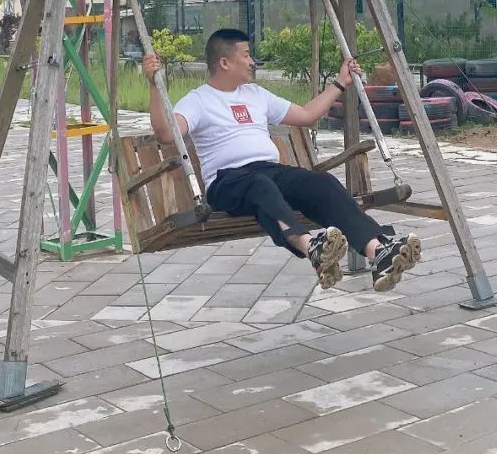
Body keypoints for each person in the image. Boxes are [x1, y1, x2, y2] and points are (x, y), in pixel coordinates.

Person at [144, 28, 421, 293]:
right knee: (260, 185)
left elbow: (306, 115)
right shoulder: (197, 100)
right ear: (224, 62)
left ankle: (378, 251)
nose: (252, 62)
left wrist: (340, 83)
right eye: (246, 55)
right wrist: (154, 87)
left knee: (321, 182)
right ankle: (311, 247)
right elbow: (166, 134)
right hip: (227, 182)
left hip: (267, 172)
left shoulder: (256, 95)